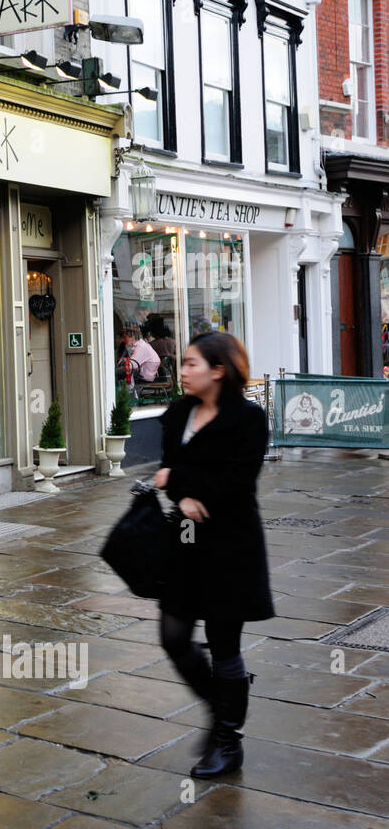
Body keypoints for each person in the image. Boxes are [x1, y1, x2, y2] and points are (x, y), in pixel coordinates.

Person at [153, 331, 272, 778]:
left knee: (224, 647)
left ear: (218, 369)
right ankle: (221, 707)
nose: (182, 371)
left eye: (191, 364)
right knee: (174, 637)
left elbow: (238, 482)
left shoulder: (247, 418)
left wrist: (182, 483)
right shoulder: (178, 413)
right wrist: (185, 491)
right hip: (185, 539)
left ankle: (227, 741)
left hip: (231, 546)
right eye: (182, 363)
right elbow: (164, 473)